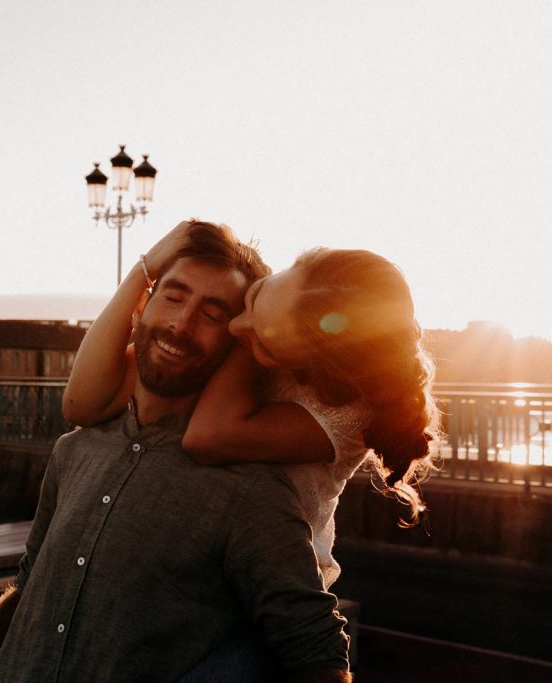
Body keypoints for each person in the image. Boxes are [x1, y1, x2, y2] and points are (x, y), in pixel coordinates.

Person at [0, 221, 352, 682]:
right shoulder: (74, 452)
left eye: (211, 313)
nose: (181, 323)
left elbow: (317, 654)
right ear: (142, 306)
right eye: (174, 295)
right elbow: (31, 594)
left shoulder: (249, 492)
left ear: (236, 342)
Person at [63, 220, 441, 590]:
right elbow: (82, 404)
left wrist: (257, 325)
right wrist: (141, 272)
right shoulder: (264, 334)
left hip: (268, 586)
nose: (234, 328)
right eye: (253, 296)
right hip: (196, 555)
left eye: (260, 341)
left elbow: (206, 438)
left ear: (309, 365)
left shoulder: (344, 416)